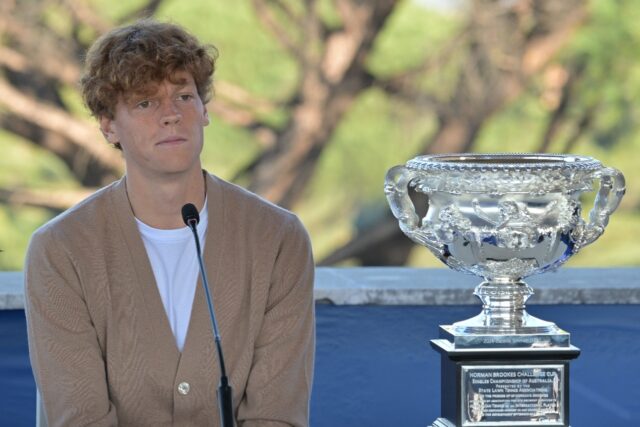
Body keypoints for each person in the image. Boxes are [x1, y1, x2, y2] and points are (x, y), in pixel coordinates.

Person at [24, 19, 315, 427]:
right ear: (109, 126)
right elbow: (80, 419)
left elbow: (277, 416)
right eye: (145, 103)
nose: (171, 115)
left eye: (183, 95)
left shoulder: (278, 240)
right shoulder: (61, 250)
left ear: (204, 110)